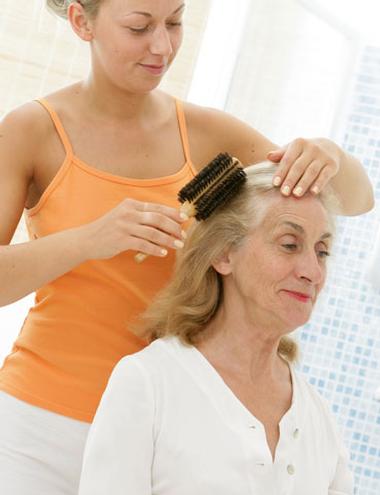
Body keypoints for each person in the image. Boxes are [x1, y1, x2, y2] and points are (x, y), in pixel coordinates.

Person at [0, 0, 373, 493]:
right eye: (140, 27)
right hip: (41, 424)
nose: (163, 46)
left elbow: (354, 199)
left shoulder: (204, 134)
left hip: (167, 424)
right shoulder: (31, 132)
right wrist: (92, 239)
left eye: (175, 22)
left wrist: (329, 153)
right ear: (80, 21)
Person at [79, 161, 353, 495]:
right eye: (289, 244)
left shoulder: (316, 415)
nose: (313, 270)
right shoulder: (149, 383)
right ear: (224, 255)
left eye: (322, 251)